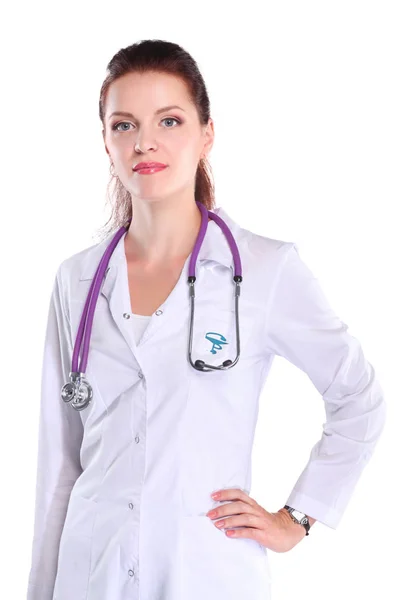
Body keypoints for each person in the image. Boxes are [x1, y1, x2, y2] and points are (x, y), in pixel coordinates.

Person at [26, 39, 387, 600]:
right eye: (123, 125)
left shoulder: (265, 270)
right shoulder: (75, 281)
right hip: (89, 574)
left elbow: (358, 397)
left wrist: (299, 517)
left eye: (168, 120)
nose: (144, 141)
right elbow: (59, 471)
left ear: (206, 133)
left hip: (207, 573)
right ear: (105, 141)